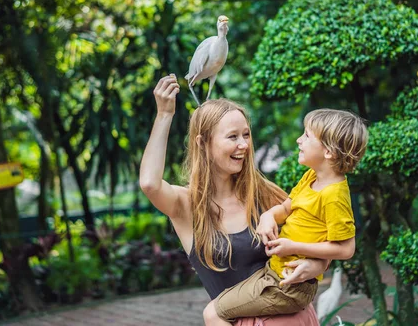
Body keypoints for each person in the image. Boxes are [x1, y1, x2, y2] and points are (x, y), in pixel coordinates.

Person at [139, 74, 327, 325]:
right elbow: (150, 184)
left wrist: (317, 267)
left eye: (246, 135)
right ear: (203, 143)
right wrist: (164, 115)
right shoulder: (186, 206)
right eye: (233, 137)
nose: (244, 145)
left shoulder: (264, 194)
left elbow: (321, 238)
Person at [204, 109, 368, 325]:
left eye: (307, 136)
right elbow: (286, 207)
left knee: (213, 313)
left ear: (328, 151)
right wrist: (269, 217)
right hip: (276, 274)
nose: (299, 140)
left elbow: (346, 249)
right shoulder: (312, 177)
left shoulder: (334, 196)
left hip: (290, 286)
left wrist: (293, 247)